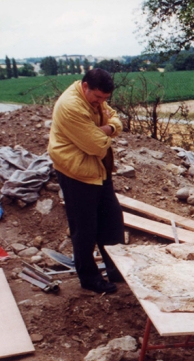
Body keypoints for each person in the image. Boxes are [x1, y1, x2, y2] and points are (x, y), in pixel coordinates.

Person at [48, 68, 125, 294]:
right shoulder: (71, 106)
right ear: (85, 87)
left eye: (104, 99)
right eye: (98, 97)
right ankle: (89, 277)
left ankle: (117, 268)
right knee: (84, 228)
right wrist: (106, 133)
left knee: (112, 221)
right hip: (77, 172)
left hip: (98, 169)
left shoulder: (95, 99)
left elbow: (115, 120)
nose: (101, 102)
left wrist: (109, 127)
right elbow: (97, 145)